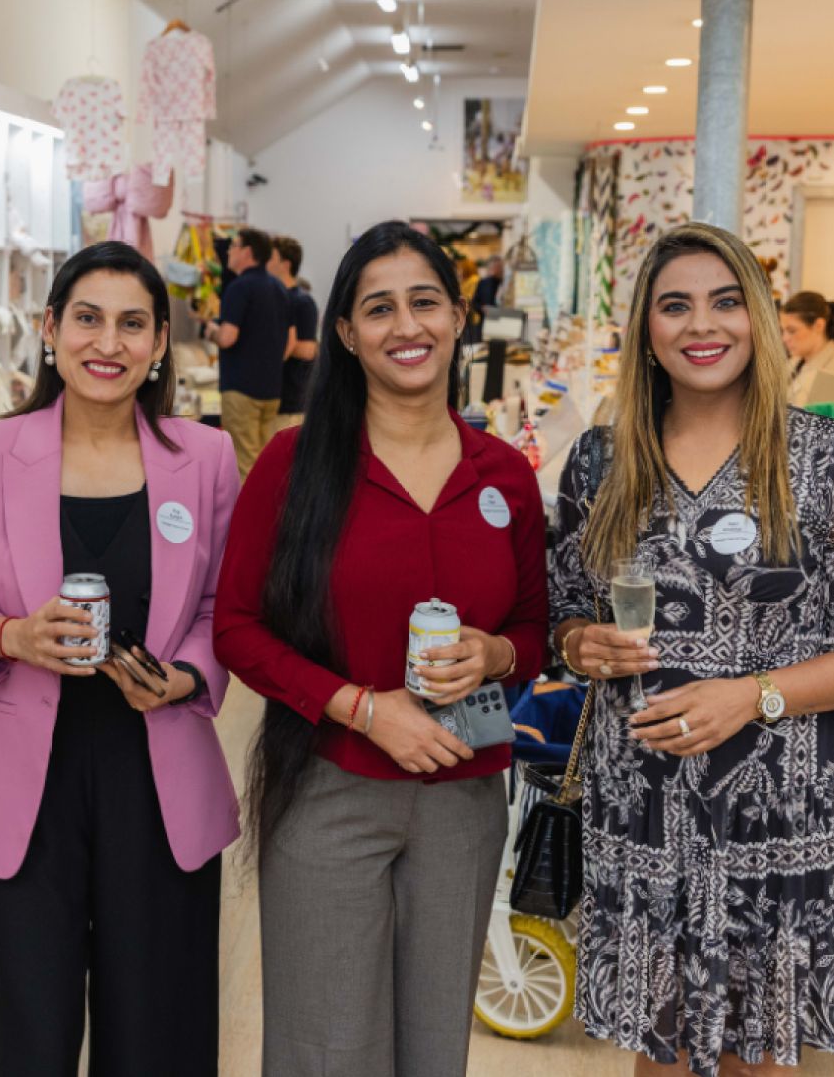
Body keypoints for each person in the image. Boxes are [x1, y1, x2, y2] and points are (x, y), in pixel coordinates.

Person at [547, 222, 834, 1076]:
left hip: (781, 813)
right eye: (672, 305)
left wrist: (749, 695)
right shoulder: (600, 462)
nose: (699, 325)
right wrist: (583, 645)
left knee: (760, 1049)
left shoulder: (827, 458)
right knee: (663, 1048)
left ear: (755, 316)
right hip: (640, 806)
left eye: (723, 302)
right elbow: (559, 615)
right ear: (645, 328)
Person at [215, 220, 549, 1077]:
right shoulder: (293, 466)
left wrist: (494, 657)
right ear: (346, 334)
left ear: (457, 315)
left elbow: (532, 630)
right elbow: (237, 629)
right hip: (329, 785)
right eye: (379, 308)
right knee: (326, 1045)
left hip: (465, 791)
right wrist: (362, 708)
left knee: (435, 1044)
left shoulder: (503, 473)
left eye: (425, 302)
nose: (406, 326)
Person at [0, 240, 241, 1077]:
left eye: (132, 324)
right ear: (50, 328)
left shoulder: (203, 458)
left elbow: (225, 609)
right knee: (34, 1024)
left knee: (158, 1028)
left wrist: (186, 677)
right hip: (25, 785)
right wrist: (9, 637)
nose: (108, 343)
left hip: (159, 773)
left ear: (160, 342)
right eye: (88, 319)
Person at [204, 226, 290, 477]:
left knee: (243, 466)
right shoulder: (279, 289)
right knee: (265, 464)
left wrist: (211, 330)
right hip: (272, 389)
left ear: (247, 252)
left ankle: (246, 517)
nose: (229, 252)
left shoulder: (240, 288)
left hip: (242, 390)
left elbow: (228, 337)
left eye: (233, 246)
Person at [781, 289, 834, 405]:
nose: (784, 338)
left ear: (818, 326)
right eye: (783, 331)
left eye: (792, 331)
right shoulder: (793, 363)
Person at [270, 234, 318, 431]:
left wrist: (266, 341)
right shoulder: (271, 298)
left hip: (290, 404)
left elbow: (308, 350)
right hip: (270, 400)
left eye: (270, 257)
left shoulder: (302, 302)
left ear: (285, 264)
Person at [465, 254, 506, 343]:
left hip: (502, 324)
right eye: (494, 266)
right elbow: (475, 302)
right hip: (485, 323)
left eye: (499, 267)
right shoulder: (483, 283)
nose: (497, 270)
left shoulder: (505, 284)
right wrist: (482, 308)